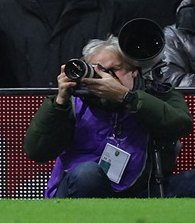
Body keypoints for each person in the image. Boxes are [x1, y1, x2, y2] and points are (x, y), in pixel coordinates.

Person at [24, 34, 193, 198]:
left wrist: (127, 97)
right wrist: (59, 102)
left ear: (134, 71)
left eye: (114, 70)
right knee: (88, 174)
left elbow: (181, 125)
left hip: (140, 193)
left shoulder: (155, 93)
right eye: (97, 71)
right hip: (81, 188)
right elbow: (36, 152)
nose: (106, 78)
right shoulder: (72, 101)